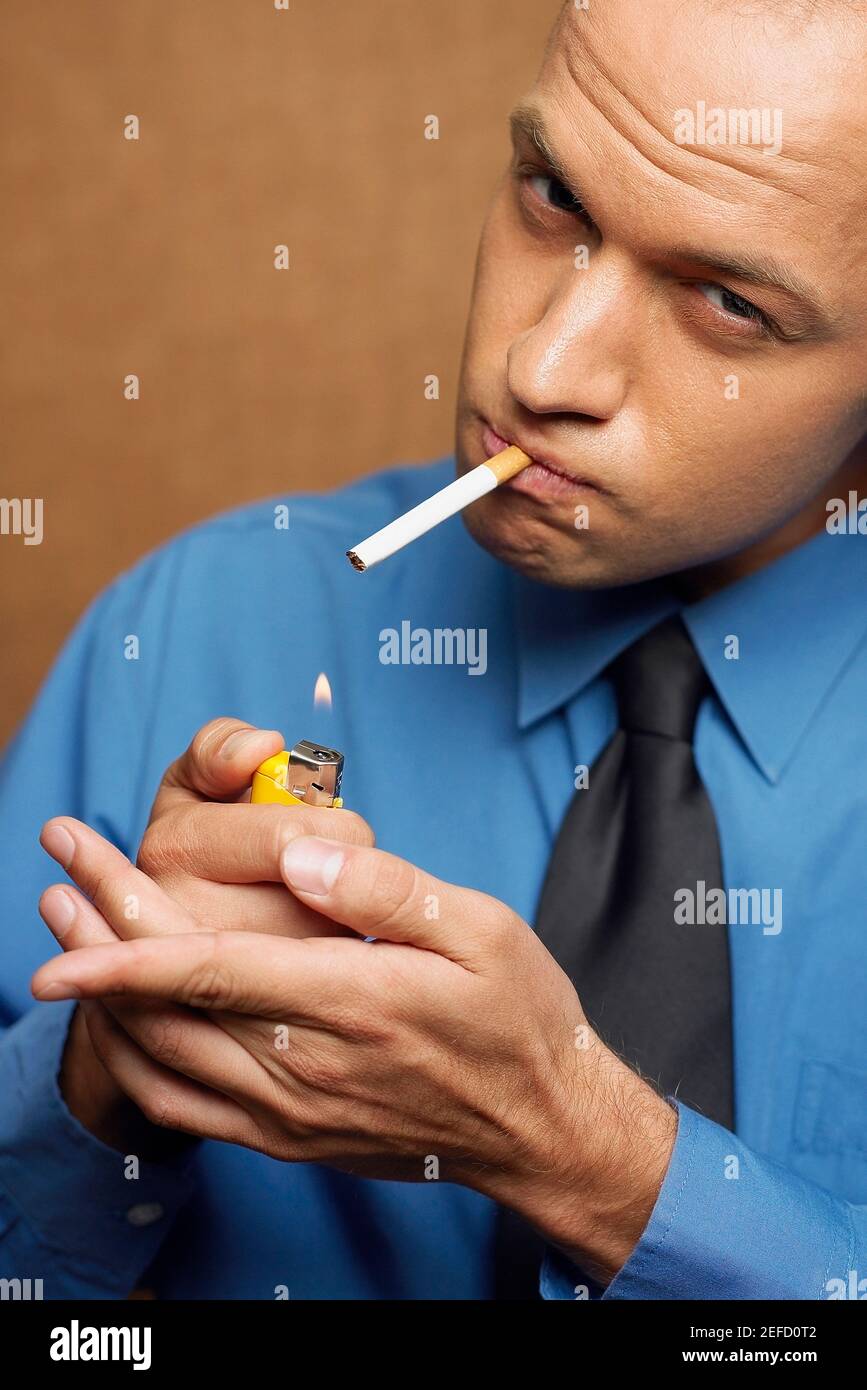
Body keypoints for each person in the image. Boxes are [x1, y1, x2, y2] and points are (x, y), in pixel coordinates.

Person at [2, 0, 865, 1300]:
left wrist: (595, 1160)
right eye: (553, 194)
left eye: (730, 303)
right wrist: (105, 1079)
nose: (541, 363)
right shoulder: (192, 624)